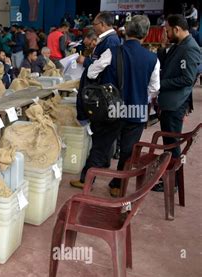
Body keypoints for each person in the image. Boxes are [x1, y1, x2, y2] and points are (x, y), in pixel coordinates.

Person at [71, 15, 161, 197]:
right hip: (138, 110)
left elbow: (92, 71)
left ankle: (86, 180)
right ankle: (117, 185)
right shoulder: (153, 59)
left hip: (113, 107)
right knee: (128, 151)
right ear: (146, 35)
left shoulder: (113, 52)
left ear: (126, 31)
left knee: (101, 145)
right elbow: (154, 88)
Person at [153, 14, 201, 191]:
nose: (166, 32)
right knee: (168, 144)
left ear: (177, 29)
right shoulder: (179, 45)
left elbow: (187, 79)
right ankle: (169, 179)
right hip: (169, 103)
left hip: (175, 105)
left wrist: (161, 84)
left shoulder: (189, 48)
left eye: (167, 29)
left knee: (172, 146)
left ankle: (172, 183)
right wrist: (163, 46)